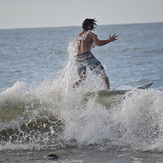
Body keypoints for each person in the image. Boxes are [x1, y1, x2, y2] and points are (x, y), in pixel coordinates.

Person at [73, 18, 118, 89]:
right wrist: (109, 40)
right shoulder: (91, 34)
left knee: (82, 79)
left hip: (78, 58)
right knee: (103, 75)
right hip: (87, 56)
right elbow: (99, 43)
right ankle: (108, 93)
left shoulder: (78, 36)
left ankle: (71, 90)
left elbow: (85, 46)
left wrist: (95, 44)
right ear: (90, 26)